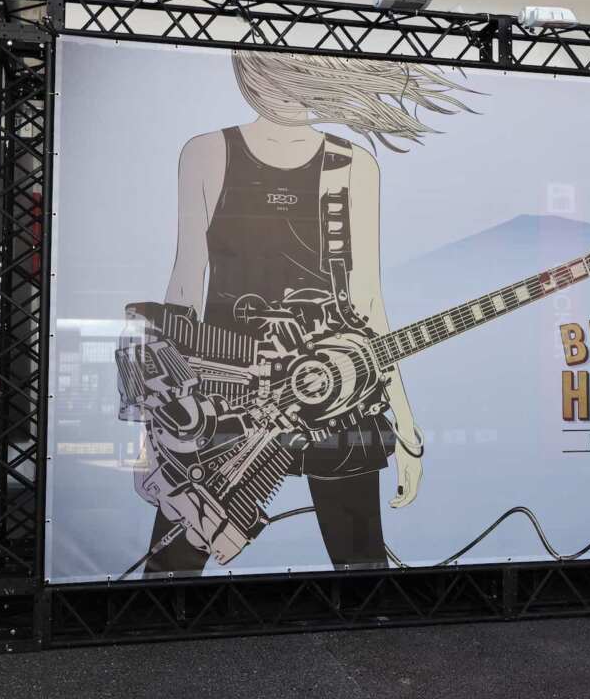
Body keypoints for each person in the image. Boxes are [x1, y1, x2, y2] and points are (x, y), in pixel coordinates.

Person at [142, 50, 477, 573]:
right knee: (174, 564)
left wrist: (405, 423)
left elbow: (366, 306)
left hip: (331, 390)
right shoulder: (208, 152)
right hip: (225, 396)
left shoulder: (352, 165)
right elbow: (184, 290)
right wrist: (159, 417)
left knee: (361, 566)